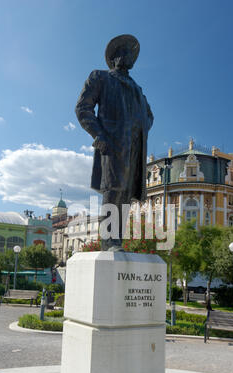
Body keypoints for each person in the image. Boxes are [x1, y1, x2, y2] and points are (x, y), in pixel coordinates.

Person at [75, 34, 154, 251]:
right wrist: (98, 134)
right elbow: (83, 108)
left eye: (133, 55)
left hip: (135, 146)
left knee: (127, 192)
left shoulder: (138, 89)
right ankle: (109, 240)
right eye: (128, 53)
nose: (132, 58)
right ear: (116, 57)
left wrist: (139, 128)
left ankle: (117, 239)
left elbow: (150, 116)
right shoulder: (100, 77)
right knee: (113, 189)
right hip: (112, 142)